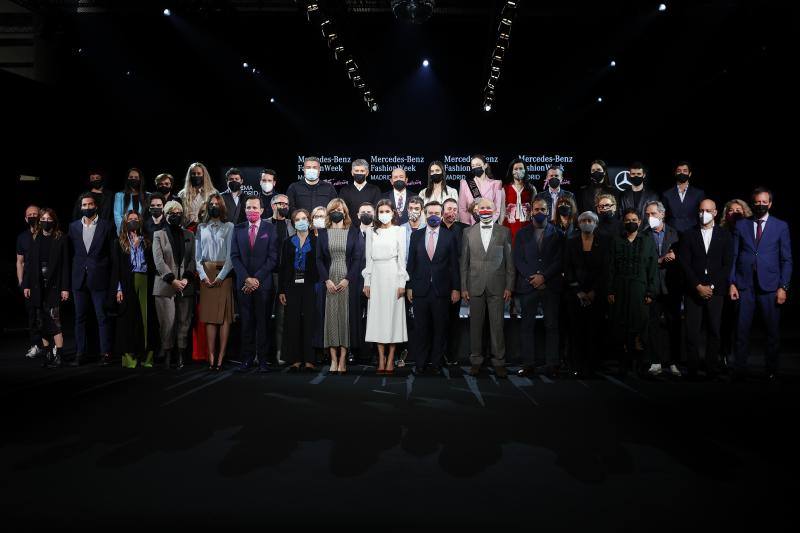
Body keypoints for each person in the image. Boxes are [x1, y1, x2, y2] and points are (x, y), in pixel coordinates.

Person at [729, 187, 793, 381]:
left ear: (770, 204)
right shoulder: (741, 226)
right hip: (744, 285)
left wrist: (784, 286)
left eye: (764, 202)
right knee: (741, 330)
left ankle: (771, 370)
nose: (760, 205)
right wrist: (731, 283)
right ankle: (739, 369)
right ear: (752, 203)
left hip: (771, 286)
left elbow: (787, 259)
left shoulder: (780, 226)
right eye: (756, 202)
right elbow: (734, 256)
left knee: (772, 331)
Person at [679, 199, 733, 380]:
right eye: (701, 210)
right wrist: (697, 286)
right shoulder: (688, 234)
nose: (704, 213)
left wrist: (711, 286)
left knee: (714, 330)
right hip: (693, 290)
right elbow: (685, 263)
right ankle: (693, 370)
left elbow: (727, 265)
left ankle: (711, 368)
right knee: (692, 332)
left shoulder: (725, 235)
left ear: (716, 212)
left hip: (715, 291)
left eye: (708, 210)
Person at [460, 198, 514, 378]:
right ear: (476, 210)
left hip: (498, 287)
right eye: (481, 207)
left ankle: (499, 362)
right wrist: (464, 287)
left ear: (494, 210)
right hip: (474, 285)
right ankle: (476, 361)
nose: (484, 210)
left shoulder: (504, 232)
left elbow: (509, 262)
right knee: (475, 326)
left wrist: (509, 286)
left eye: (488, 207)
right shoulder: (468, 232)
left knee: (497, 326)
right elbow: (464, 263)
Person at [407, 201, 460, 374]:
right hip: (420, 290)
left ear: (442, 214)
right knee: (421, 329)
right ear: (424, 213)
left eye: (437, 213)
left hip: (441, 290)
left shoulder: (449, 236)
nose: (434, 216)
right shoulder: (416, 236)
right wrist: (409, 286)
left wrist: (456, 288)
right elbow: (411, 264)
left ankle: (436, 363)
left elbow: (454, 264)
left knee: (440, 329)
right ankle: (420, 363)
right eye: (430, 213)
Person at [514, 198, 564, 378]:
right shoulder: (521, 234)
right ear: (531, 211)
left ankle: (553, 364)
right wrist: (532, 277)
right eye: (536, 209)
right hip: (528, 286)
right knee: (526, 326)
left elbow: (560, 260)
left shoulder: (558, 234)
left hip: (550, 285)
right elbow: (518, 259)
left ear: (549, 211)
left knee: (552, 326)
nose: (539, 212)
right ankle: (528, 365)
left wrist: (544, 277)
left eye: (543, 209)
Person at [607, 209, 659, 377]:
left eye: (634, 219)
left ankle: (640, 364)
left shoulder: (647, 241)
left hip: (640, 288)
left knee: (640, 327)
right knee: (621, 327)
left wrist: (651, 292)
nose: (631, 222)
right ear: (623, 223)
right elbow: (610, 268)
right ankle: (624, 364)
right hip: (620, 289)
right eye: (628, 219)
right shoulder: (615, 241)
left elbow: (652, 268)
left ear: (639, 222)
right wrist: (610, 290)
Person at [230, 196, 279, 372]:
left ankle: (264, 361)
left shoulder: (270, 229)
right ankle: (247, 359)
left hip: (263, 284)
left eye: (255, 208)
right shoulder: (237, 229)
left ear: (262, 210)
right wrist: (246, 279)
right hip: (244, 285)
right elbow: (234, 257)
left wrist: (256, 279)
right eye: (248, 208)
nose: (252, 210)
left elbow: (273, 258)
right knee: (246, 324)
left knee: (263, 324)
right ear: (245, 210)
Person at [68, 193, 116, 366]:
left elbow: (112, 256)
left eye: (90, 204)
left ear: (96, 206)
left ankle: (105, 353)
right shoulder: (73, 227)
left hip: (100, 279)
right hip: (79, 279)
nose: (87, 207)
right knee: (79, 318)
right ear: (81, 207)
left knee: (102, 317)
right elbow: (71, 254)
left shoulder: (107, 226)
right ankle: (80, 353)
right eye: (84, 205)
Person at [316, 199, 363, 374]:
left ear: (345, 212)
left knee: (345, 319)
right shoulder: (322, 233)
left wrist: (348, 279)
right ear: (329, 213)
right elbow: (319, 259)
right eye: (334, 209)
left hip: (347, 281)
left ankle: (343, 358)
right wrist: (326, 280)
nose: (337, 212)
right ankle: (333, 360)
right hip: (329, 280)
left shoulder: (353, 232)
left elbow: (358, 258)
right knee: (330, 319)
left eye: (340, 209)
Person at [362, 199, 409, 375]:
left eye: (386, 211)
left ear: (393, 213)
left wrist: (402, 283)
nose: (383, 214)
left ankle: (391, 358)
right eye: (380, 211)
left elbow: (402, 259)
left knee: (393, 318)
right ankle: (381, 358)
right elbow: (368, 259)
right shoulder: (371, 232)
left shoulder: (399, 231)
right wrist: (367, 283)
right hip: (376, 277)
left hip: (393, 276)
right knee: (377, 319)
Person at [22, 208, 70, 367]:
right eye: (43, 219)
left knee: (55, 322)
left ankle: (60, 355)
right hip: (38, 287)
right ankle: (48, 353)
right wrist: (26, 284)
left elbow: (65, 266)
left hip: (53, 287)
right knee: (41, 322)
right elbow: (30, 264)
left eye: (49, 219)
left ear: (54, 221)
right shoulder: (36, 238)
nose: (45, 221)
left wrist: (65, 288)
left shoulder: (61, 238)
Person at [563, 211, 609, 376]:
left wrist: (594, 291)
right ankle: (577, 366)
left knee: (594, 332)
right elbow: (567, 269)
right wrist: (579, 292)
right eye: (583, 220)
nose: (586, 222)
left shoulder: (604, 242)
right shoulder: (571, 242)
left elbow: (605, 269)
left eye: (590, 220)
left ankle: (593, 367)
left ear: (595, 223)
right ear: (578, 223)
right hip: (575, 295)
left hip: (596, 294)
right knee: (576, 331)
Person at [152, 200, 197, 369]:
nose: (175, 215)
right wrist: (172, 280)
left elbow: (193, 259)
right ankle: (167, 354)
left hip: (185, 285)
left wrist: (185, 279)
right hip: (165, 286)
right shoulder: (158, 235)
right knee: (167, 322)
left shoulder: (189, 235)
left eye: (178, 212)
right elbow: (158, 260)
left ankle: (181, 356)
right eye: (172, 212)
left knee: (184, 322)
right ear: (166, 214)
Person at [642, 201, 682, 377]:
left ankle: (673, 362)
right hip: (652, 286)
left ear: (662, 214)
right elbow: (643, 261)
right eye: (648, 214)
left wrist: (676, 256)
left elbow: (684, 260)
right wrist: (660, 260)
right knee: (652, 325)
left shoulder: (676, 234)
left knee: (674, 325)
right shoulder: (643, 235)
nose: (650, 217)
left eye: (653, 214)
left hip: (671, 286)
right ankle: (655, 361)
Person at [111, 211, 156, 369]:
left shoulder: (147, 242)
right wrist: (118, 289)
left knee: (146, 319)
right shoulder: (119, 242)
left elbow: (151, 265)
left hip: (144, 280)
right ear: (125, 222)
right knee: (128, 319)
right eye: (130, 220)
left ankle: (147, 357)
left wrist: (139, 245)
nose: (133, 222)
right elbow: (116, 268)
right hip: (127, 282)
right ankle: (129, 357)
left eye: (136, 219)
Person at [195, 194, 235, 370]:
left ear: (222, 207)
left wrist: (220, 277)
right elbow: (197, 257)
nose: (214, 206)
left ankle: (221, 356)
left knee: (224, 317)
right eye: (211, 204)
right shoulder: (201, 227)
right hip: (205, 274)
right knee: (210, 318)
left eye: (217, 204)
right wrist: (203, 275)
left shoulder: (229, 227)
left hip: (223, 274)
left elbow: (230, 257)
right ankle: (211, 356)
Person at [278, 209, 319, 372]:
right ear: (293, 223)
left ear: (309, 221)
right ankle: (294, 359)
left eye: (304, 218)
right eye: (297, 219)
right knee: (292, 321)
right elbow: (283, 267)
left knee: (310, 321)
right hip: (291, 286)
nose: (301, 221)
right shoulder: (288, 242)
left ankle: (310, 359)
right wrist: (281, 290)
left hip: (311, 285)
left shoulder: (317, 241)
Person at [719, 199, 752, 365]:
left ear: (745, 212)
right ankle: (723, 354)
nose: (736, 212)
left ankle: (738, 358)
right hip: (723, 282)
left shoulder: (751, 231)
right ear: (726, 214)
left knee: (740, 322)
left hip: (743, 282)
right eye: (731, 210)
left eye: (739, 209)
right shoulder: (721, 232)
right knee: (725, 320)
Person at [266, 193, 296, 365]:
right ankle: (260, 352)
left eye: (286, 203)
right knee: (262, 317)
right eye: (280, 203)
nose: (284, 206)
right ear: (272, 205)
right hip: (266, 276)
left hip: (285, 278)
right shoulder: (263, 224)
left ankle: (280, 352)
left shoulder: (293, 225)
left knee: (282, 318)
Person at [441, 197, 469, 365]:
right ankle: (437, 355)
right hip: (437, 284)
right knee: (438, 322)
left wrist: (458, 287)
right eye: (448, 209)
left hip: (456, 284)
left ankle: (452, 356)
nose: (451, 212)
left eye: (454, 209)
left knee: (453, 322)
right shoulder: (435, 227)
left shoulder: (465, 230)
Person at [18, 205, 44, 358]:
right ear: (26, 218)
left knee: (46, 314)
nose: (33, 216)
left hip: (44, 280)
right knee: (32, 315)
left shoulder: (46, 234)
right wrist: (21, 282)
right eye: (30, 214)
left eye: (35, 214)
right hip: (29, 282)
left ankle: (50, 345)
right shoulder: (22, 237)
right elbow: (19, 261)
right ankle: (36, 345)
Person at [458, 154, 505, 225]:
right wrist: (467, 227)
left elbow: (497, 210)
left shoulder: (496, 184)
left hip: (489, 225)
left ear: (485, 165)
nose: (475, 167)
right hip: (470, 226)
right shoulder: (465, 184)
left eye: (478, 165)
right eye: (473, 166)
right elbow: (462, 209)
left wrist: (487, 224)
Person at [662, 161, 705, 234]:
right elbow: (662, 216)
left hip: (693, 233)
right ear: (675, 173)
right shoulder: (666, 194)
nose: (682, 173)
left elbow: (702, 214)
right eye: (679, 171)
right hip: (672, 234)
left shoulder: (699, 193)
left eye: (685, 171)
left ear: (690, 174)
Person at [502, 158, 535, 242]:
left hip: (527, 226)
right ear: (512, 171)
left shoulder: (531, 189)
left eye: (521, 168)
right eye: (516, 169)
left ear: (525, 170)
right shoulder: (505, 189)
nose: (518, 171)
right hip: (509, 227)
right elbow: (502, 210)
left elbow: (534, 209)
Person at [177, 162, 218, 228]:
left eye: (199, 173)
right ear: (190, 176)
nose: (196, 176)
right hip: (187, 230)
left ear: (204, 175)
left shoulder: (212, 193)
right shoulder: (182, 194)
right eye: (193, 174)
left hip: (206, 229)